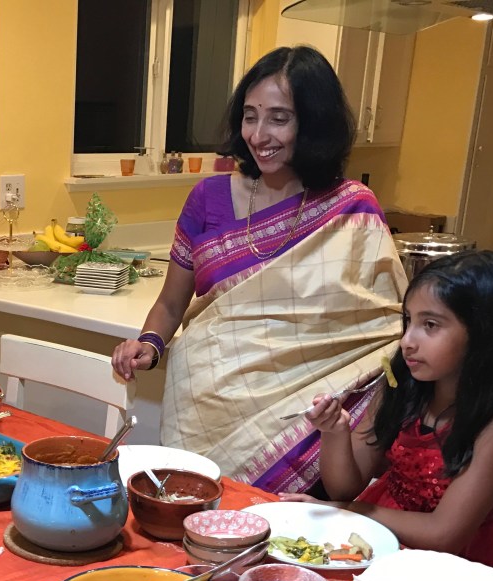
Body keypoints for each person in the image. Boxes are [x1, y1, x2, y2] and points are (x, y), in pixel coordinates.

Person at [111, 46, 406, 494]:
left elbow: (384, 331)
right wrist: (148, 345)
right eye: (250, 117)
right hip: (204, 416)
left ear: (313, 122)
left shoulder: (352, 210)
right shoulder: (207, 199)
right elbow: (171, 304)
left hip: (305, 434)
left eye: (279, 118)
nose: (259, 134)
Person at [283, 251, 493, 574]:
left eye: (430, 325)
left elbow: (443, 535)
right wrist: (334, 431)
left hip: (462, 569)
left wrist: (346, 509)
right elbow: (343, 488)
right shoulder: (402, 384)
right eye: (408, 320)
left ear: (485, 332)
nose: (407, 341)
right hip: (386, 541)